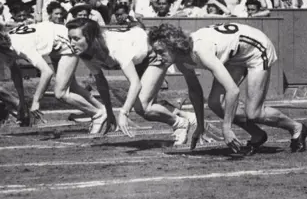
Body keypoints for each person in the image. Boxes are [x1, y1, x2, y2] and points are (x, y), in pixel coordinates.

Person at [147, 22, 307, 153]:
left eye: (161, 51)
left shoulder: (200, 50)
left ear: (172, 45)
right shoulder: (180, 58)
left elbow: (233, 90)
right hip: (235, 54)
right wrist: (200, 127)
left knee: (254, 113)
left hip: (256, 49)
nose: (158, 57)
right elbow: (195, 91)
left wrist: (227, 128)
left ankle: (297, 127)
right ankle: (257, 135)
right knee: (216, 104)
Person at [66, 18, 216, 144]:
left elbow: (135, 83)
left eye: (76, 38)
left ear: (91, 38)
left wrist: (123, 113)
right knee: (147, 106)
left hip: (153, 53)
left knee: (142, 107)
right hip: (139, 60)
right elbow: (101, 83)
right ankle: (190, 118)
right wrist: (110, 113)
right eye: (70, 38)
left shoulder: (114, 47)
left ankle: (180, 124)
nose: (72, 43)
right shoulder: (86, 52)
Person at [0, 19, 105, 127]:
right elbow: (15, 72)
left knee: (61, 93)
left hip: (65, 40)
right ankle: (104, 110)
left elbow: (47, 72)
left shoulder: (19, 45)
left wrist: (36, 100)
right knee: (72, 88)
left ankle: (97, 114)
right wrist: (21, 102)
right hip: (55, 44)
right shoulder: (3, 48)